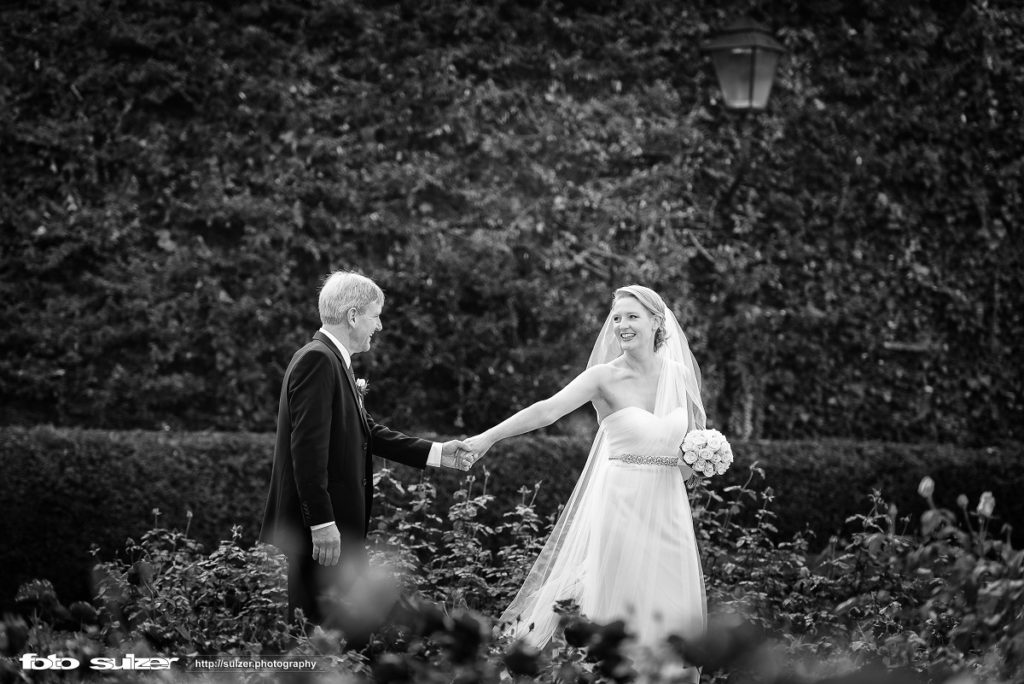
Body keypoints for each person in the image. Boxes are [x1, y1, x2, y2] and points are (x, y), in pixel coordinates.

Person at [464, 285, 707, 677]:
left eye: (632, 316)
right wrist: (487, 437)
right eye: (617, 318)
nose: (622, 325)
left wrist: (703, 460)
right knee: (621, 604)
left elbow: (687, 453)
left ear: (657, 322)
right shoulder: (603, 378)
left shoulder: (677, 376)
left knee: (671, 604)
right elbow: (546, 411)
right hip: (621, 503)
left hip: (668, 506)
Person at [259, 270, 472, 637]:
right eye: (376, 315)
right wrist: (322, 523)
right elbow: (306, 451)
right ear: (353, 316)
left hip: (333, 533)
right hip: (321, 537)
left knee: (338, 638)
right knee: (319, 640)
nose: (381, 325)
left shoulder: (333, 360)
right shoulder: (318, 361)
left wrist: (439, 453)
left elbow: (367, 432)